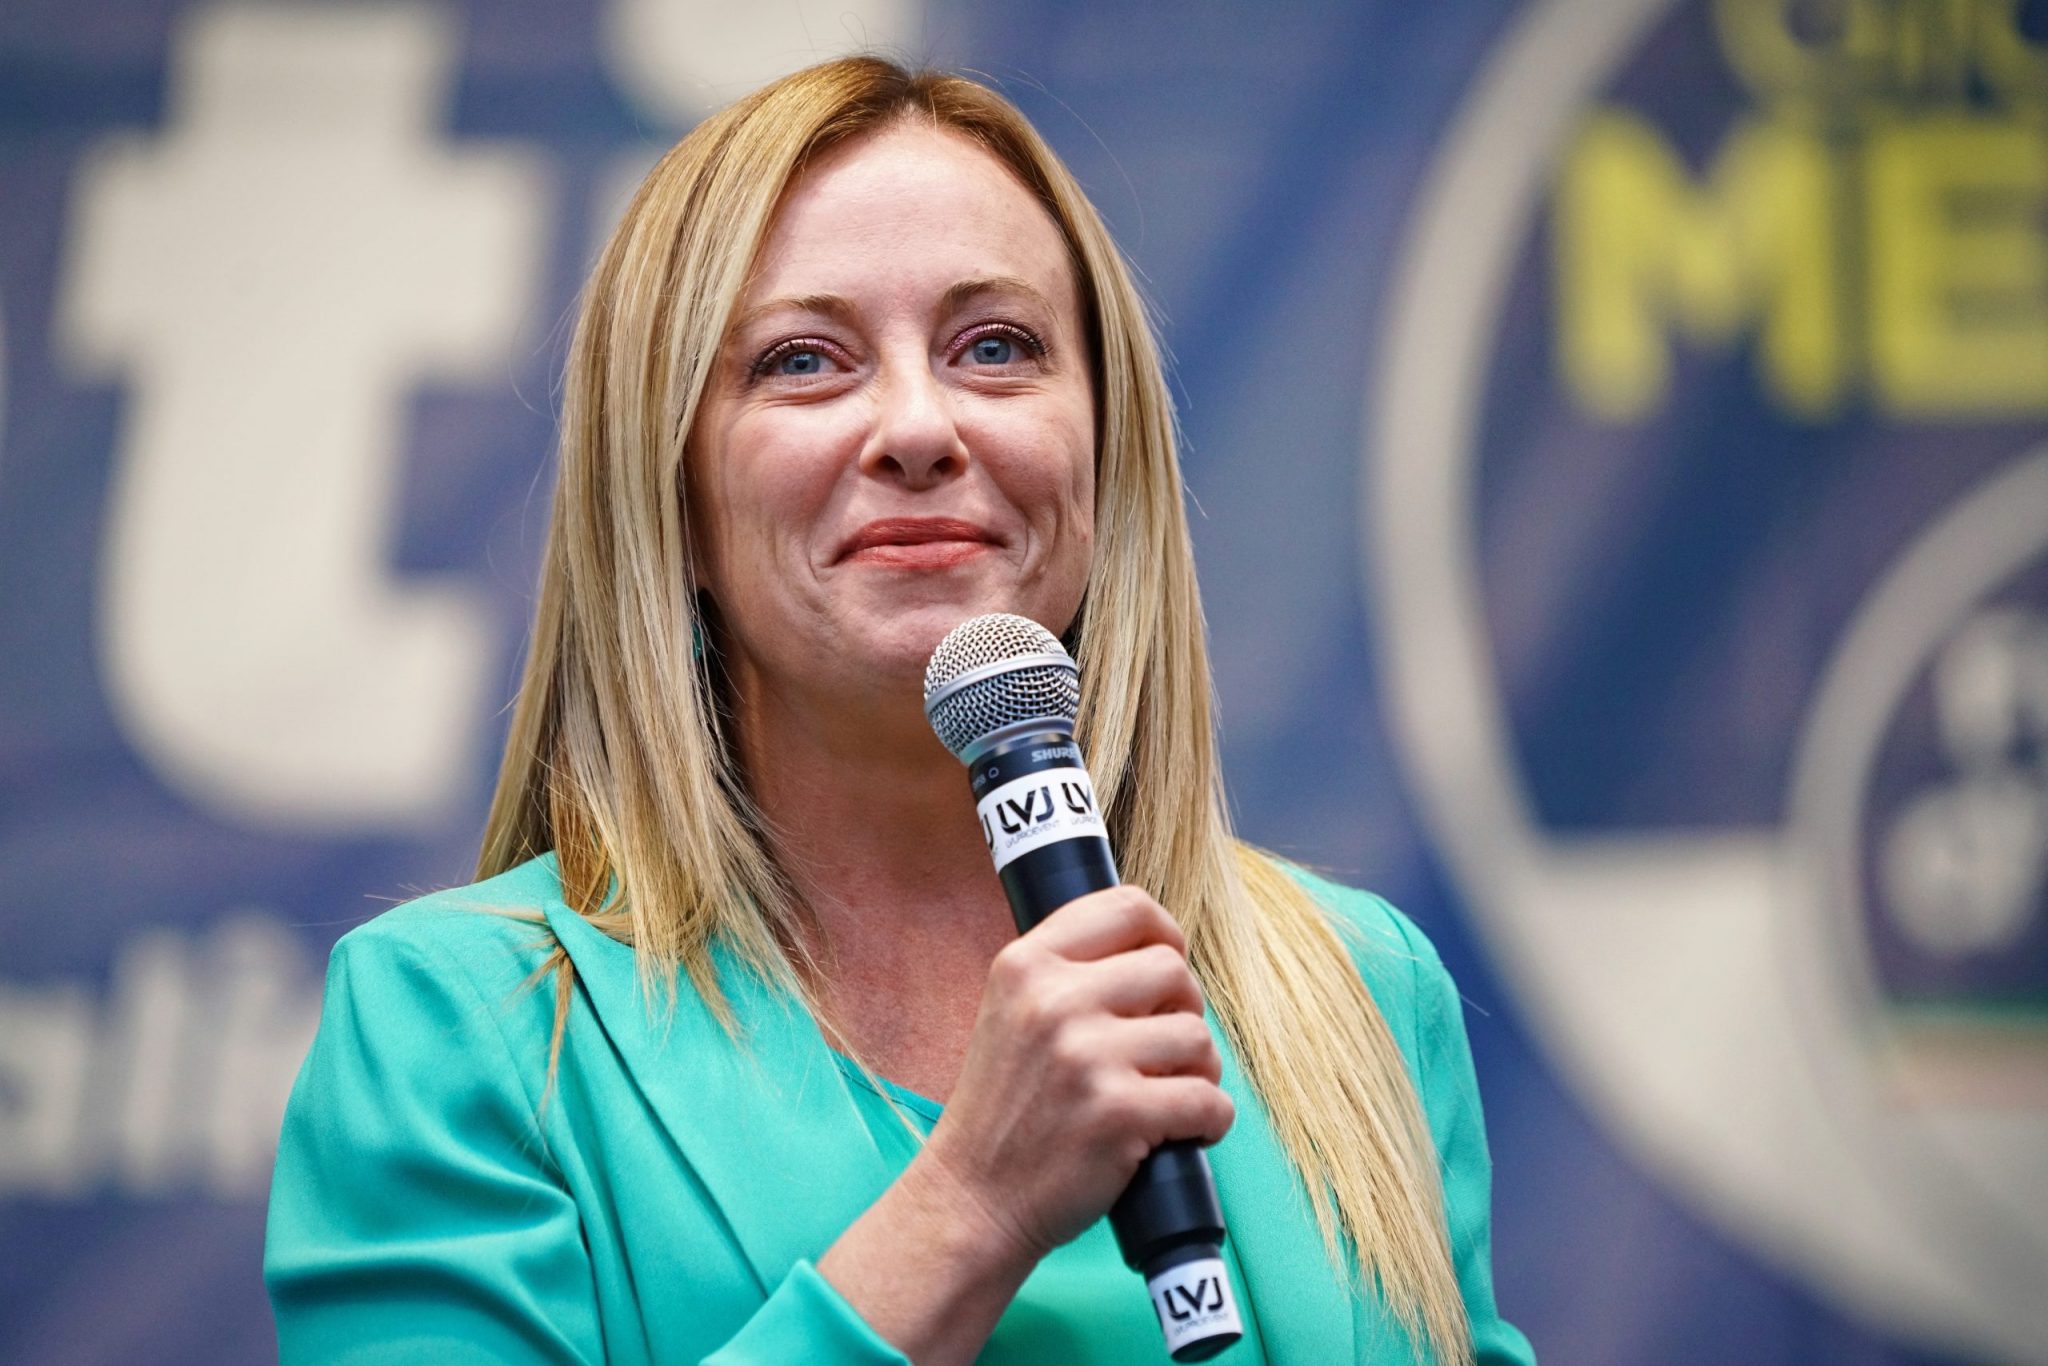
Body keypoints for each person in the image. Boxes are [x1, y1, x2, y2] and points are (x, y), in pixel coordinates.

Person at [263, 56, 1535, 1366]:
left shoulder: (1361, 988)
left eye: (997, 347)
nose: (920, 428)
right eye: (804, 361)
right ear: (672, 497)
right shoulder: (456, 1030)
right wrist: (972, 1204)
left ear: (1107, 453)